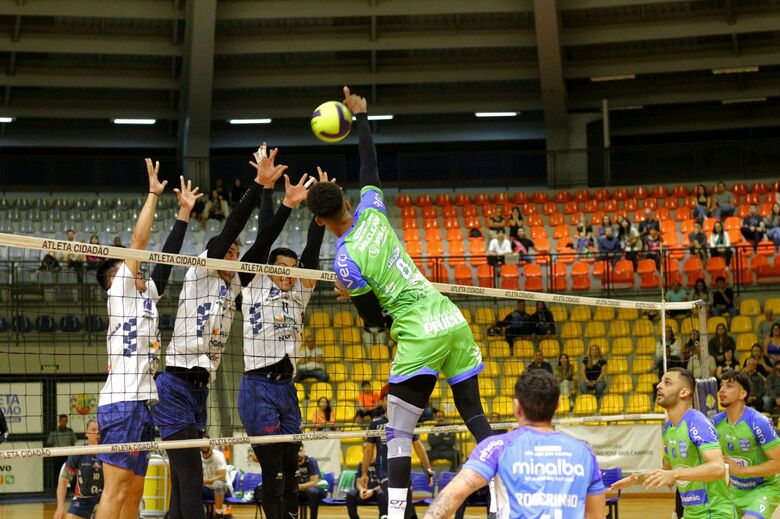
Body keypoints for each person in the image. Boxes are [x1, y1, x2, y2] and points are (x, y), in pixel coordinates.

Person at [307, 86, 494, 519]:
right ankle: (503, 497)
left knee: (396, 432)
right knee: (473, 413)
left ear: (319, 221)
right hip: (448, 313)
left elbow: (374, 319)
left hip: (418, 330)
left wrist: (348, 293)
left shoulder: (345, 261)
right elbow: (369, 164)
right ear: (349, 201)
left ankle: (395, 514)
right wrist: (363, 117)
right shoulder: (372, 209)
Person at [152, 145, 287, 519]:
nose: (231, 256)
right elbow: (233, 227)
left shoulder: (234, 285)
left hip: (199, 392)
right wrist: (255, 185)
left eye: (234, 253)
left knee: (182, 486)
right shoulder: (200, 271)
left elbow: (262, 243)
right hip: (175, 386)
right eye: (226, 250)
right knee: (192, 482)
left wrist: (277, 198)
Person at [94, 170, 201, 519]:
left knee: (135, 490)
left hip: (142, 404)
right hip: (122, 402)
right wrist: (154, 194)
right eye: (130, 268)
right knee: (117, 488)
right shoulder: (121, 290)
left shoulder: (146, 294)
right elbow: (138, 242)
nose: (140, 271)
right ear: (115, 276)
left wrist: (184, 213)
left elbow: (168, 259)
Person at [238, 165, 324, 519]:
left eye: (293, 268)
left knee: (292, 464)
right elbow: (264, 238)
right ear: (270, 269)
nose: (289, 274)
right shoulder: (255, 283)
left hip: (286, 388)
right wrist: (269, 191)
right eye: (283, 268)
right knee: (271, 467)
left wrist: (319, 210)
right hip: (257, 385)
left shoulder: (298, 296)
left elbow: (313, 254)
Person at [422, 370, 606, 519]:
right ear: (558, 405)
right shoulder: (584, 453)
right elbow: (595, 516)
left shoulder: (497, 447)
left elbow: (452, 495)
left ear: (516, 407)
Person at [609, 368, 733, 518]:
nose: (659, 386)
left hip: (715, 514)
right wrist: (635, 478)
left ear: (684, 392)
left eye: (667, 383)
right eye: (660, 382)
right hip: (691, 514)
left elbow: (718, 468)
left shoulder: (696, 422)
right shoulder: (669, 428)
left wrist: (674, 475)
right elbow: (665, 473)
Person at [360, 385, 434, 519]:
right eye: (386, 399)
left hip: (403, 471)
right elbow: (368, 451)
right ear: (382, 402)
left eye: (391, 400)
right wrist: (364, 473)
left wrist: (427, 467)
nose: (389, 402)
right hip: (384, 473)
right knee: (398, 504)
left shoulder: (406, 422)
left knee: (407, 509)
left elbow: (418, 447)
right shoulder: (375, 424)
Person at [715, 370, 780, 519]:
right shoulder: (716, 422)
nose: (722, 390)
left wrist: (740, 471)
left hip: (764, 488)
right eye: (721, 385)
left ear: (742, 394)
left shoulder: (758, 422)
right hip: (734, 490)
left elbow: (778, 464)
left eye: (729, 386)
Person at [54, 420, 102, 519]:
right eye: (93, 430)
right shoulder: (78, 453)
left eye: (100, 430)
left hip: (104, 498)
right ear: (87, 433)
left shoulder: (109, 453)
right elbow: (63, 481)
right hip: (82, 500)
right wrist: (60, 507)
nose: (97, 433)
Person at [201, 444, 231, 519]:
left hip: (222, 488)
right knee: (193, 487)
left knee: (218, 484)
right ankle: (201, 513)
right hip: (206, 488)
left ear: (210, 446)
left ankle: (218, 513)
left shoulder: (218, 455)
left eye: (206, 446)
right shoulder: (197, 457)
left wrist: (206, 481)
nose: (204, 448)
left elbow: (222, 476)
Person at [297, 445, 328, 519]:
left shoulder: (311, 461)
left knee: (311, 491)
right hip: (302, 490)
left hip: (319, 488)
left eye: (300, 451)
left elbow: (314, 483)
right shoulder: (290, 463)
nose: (298, 453)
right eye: (296, 451)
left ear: (304, 452)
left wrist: (296, 487)